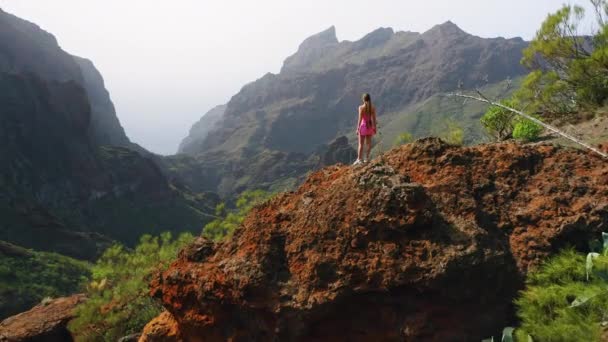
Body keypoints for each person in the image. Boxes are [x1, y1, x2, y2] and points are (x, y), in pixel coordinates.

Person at [353, 93, 377, 165]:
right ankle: (366, 158)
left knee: (361, 144)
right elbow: (374, 119)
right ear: (370, 99)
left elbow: (360, 119)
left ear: (363, 99)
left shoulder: (361, 108)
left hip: (363, 127)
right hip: (369, 127)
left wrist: (357, 128)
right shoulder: (372, 107)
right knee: (369, 144)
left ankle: (359, 159)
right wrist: (374, 128)